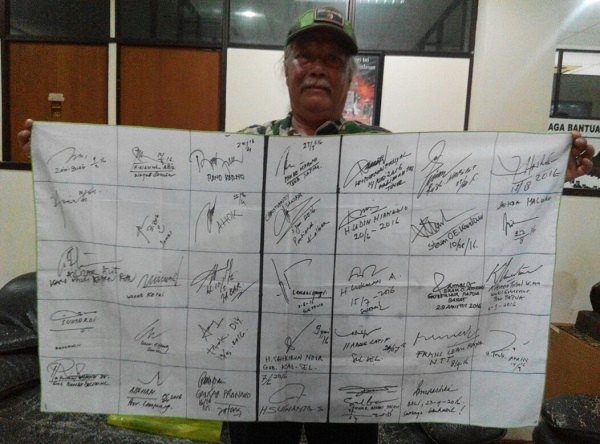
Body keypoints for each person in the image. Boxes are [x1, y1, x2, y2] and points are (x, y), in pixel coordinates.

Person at [16, 6, 596, 444]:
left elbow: (460, 198)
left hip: (352, 361)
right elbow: (173, 201)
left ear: (348, 76)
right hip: (253, 358)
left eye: (333, 59)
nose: (318, 68)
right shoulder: (245, 148)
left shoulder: (385, 151)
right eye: (305, 56)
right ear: (287, 69)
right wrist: (59, 155)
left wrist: (550, 169)